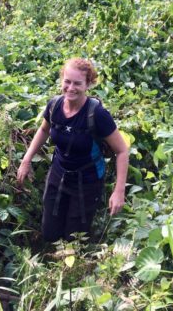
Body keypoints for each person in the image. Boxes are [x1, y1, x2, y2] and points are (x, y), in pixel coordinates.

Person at [17, 58, 129, 242]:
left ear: (88, 84)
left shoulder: (97, 114)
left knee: (75, 237)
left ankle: (75, 266)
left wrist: (119, 191)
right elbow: (44, 130)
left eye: (77, 83)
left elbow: (122, 151)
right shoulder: (54, 106)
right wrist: (26, 159)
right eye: (67, 81)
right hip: (58, 174)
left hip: (87, 181)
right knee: (49, 232)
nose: (71, 88)